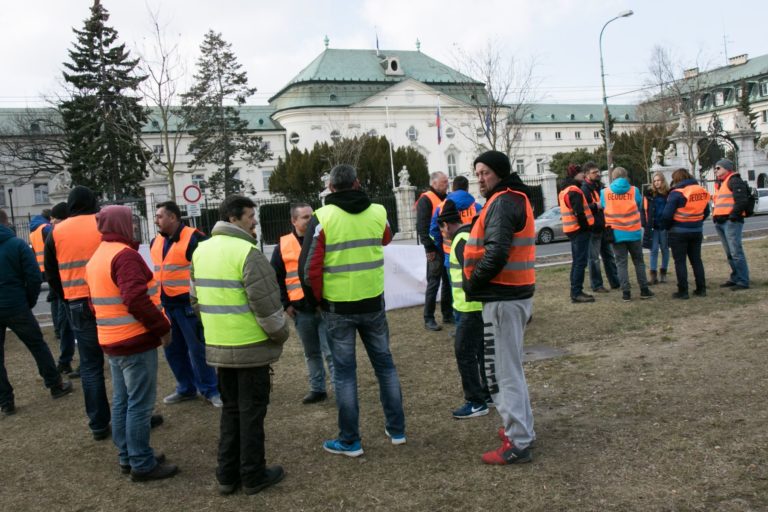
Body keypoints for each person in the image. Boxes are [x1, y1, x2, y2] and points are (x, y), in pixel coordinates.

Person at [300, 164, 406, 457]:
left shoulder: (323, 218)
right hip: (372, 301)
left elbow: (309, 269)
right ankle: (396, 430)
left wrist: (318, 301)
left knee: (345, 374)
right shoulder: (378, 212)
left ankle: (350, 440)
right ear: (358, 184)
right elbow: (386, 237)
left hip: (338, 307)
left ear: (331, 188)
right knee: (385, 366)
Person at [191, 195, 288, 496]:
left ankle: (226, 474)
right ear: (233, 218)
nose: (255, 221)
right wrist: (280, 333)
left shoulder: (200, 251)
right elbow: (268, 307)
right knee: (252, 413)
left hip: (220, 346)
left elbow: (195, 301)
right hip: (250, 348)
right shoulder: (247, 252)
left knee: (231, 411)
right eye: (250, 216)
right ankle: (253, 474)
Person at [84, 205, 178, 482]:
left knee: (122, 401)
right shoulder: (125, 257)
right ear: (121, 225)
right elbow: (136, 299)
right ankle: (141, 462)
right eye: (132, 222)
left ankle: (128, 455)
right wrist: (162, 328)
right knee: (139, 404)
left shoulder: (98, 256)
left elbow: (93, 303)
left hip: (111, 341)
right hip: (134, 341)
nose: (136, 226)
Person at [462, 150, 536, 465]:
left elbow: (496, 252)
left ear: (500, 173)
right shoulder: (511, 197)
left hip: (504, 297)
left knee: (502, 373)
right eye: (477, 172)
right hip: (510, 295)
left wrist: (472, 284)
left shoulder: (504, 201)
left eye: (485, 172)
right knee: (509, 369)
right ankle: (520, 431)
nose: (480, 178)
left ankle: (518, 441)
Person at [44, 186, 111, 439]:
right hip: (108, 298)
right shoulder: (101, 222)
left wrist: (66, 297)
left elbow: (51, 273)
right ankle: (135, 415)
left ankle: (98, 424)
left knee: (91, 366)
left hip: (77, 303)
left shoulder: (56, 232)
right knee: (122, 360)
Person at [1, 208, 73, 416]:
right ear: (7, 223)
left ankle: (5, 400)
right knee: (37, 345)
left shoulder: (16, 244)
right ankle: (54, 384)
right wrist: (28, 301)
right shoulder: (17, 245)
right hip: (16, 304)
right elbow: (33, 277)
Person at [151, 201, 222, 408]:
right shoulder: (157, 241)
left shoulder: (194, 238)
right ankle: (186, 388)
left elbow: (209, 267)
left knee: (198, 350)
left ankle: (211, 389)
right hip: (167, 306)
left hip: (187, 306)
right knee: (173, 350)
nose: (156, 220)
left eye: (160, 216)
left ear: (173, 217)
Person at [270, 202, 333, 405]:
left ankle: (341, 389)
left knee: (331, 352)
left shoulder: (323, 238)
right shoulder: (283, 244)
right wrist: (285, 304)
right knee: (311, 352)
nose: (310, 219)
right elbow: (276, 276)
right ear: (294, 220)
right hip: (300, 310)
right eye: (305, 217)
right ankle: (317, 389)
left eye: (311, 215)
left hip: (324, 306)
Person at [437, 200, 490, 419]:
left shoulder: (459, 240)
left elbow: (473, 272)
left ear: (447, 225)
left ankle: (475, 401)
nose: (441, 233)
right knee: (480, 352)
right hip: (473, 307)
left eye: (441, 228)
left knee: (464, 353)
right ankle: (487, 394)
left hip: (470, 309)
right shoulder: (467, 236)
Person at [601, 167, 654, 302]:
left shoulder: (605, 192)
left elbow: (602, 206)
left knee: (621, 263)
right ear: (626, 176)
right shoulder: (634, 190)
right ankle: (644, 289)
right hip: (633, 232)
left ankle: (626, 292)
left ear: (612, 177)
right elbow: (639, 204)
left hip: (616, 233)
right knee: (638, 262)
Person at [661, 169, 710, 299]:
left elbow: (666, 215)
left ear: (677, 180)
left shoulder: (676, 193)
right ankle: (701, 288)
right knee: (696, 260)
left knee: (680, 262)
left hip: (678, 232)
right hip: (696, 230)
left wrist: (668, 227)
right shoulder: (701, 190)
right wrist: (697, 221)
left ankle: (683, 291)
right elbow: (707, 211)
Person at [416, 170, 452, 331]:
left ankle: (447, 314)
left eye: (447, 181)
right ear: (434, 183)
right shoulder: (426, 199)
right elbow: (422, 227)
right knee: (434, 283)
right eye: (444, 182)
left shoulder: (446, 198)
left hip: (446, 247)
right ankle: (428, 318)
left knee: (448, 283)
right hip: (435, 249)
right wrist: (428, 248)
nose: (447, 184)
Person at [48, 202, 78, 377]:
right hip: (63, 291)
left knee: (78, 329)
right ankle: (65, 361)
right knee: (66, 327)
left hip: (72, 290)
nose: (51, 222)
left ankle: (85, 361)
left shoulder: (67, 235)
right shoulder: (55, 235)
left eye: (55, 218)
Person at [428, 175, 483, 269]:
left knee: (454, 282)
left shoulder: (440, 208)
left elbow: (434, 232)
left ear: (453, 188)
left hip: (449, 253)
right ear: (467, 188)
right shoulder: (477, 207)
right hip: (472, 252)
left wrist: (441, 249)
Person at [712, 159, 750, 290]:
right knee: (730, 253)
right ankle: (736, 277)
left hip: (730, 221)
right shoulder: (721, 183)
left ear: (727, 169)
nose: (715, 171)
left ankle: (743, 281)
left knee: (735, 252)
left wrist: (733, 216)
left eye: (718, 168)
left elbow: (741, 201)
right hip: (721, 221)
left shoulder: (734, 180)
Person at [581, 161, 620, 293]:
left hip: (604, 225)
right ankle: (597, 285)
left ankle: (615, 282)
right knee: (594, 259)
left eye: (598, 171)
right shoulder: (585, 189)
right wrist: (596, 206)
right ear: (586, 174)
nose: (597, 174)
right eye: (594, 172)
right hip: (593, 228)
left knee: (609, 256)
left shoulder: (600, 186)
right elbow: (583, 208)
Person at [559, 163, 595, 303]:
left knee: (577, 262)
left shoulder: (565, 190)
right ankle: (576, 292)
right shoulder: (574, 190)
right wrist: (586, 227)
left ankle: (575, 290)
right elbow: (579, 212)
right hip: (579, 230)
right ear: (575, 175)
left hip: (572, 230)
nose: (584, 176)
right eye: (581, 173)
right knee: (580, 262)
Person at [642, 172, 670, 285]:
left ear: (663, 181)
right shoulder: (650, 194)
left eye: (659, 180)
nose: (657, 182)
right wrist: (644, 223)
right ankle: (653, 275)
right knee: (653, 250)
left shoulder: (668, 193)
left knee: (664, 249)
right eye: (655, 180)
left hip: (664, 225)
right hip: (653, 226)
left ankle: (663, 272)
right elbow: (643, 210)